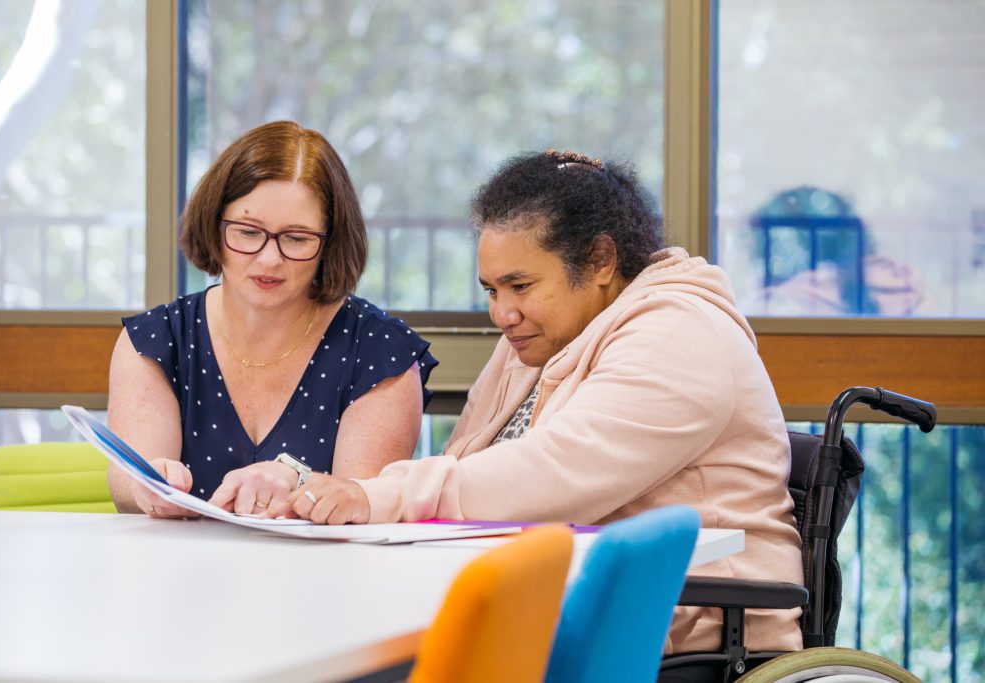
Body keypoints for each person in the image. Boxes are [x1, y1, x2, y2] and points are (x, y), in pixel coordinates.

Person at [266, 148, 804, 654]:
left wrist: (376, 496)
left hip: (696, 638)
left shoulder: (683, 335)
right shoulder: (538, 338)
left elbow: (551, 475)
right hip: (584, 612)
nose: (502, 313)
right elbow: (467, 464)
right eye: (492, 291)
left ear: (600, 259)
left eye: (520, 286)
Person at [107, 121, 437, 519]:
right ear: (214, 226)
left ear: (329, 243)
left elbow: (359, 508)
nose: (269, 259)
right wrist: (148, 484)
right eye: (248, 232)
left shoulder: (381, 353)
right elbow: (128, 486)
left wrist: (297, 481)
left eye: (296, 239)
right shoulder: (156, 341)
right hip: (180, 576)